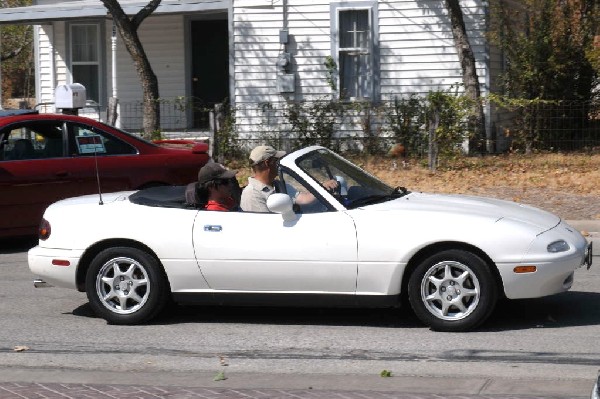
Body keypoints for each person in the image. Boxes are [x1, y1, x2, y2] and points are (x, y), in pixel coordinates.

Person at [240, 145, 338, 213]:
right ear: (268, 163)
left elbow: (303, 199)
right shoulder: (252, 194)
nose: (280, 163)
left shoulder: (277, 184)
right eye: (277, 160)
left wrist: (322, 187)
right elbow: (267, 228)